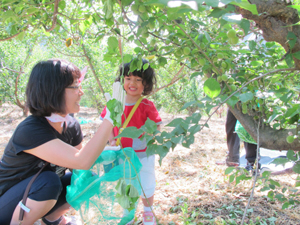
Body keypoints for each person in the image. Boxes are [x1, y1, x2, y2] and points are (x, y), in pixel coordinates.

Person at [0, 59, 117, 225]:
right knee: (49, 182)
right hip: (6, 201)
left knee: (86, 179)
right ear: (53, 90)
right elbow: (81, 160)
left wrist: (109, 159)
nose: (81, 92)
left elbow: (79, 167)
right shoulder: (31, 129)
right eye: (75, 86)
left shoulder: (71, 126)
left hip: (37, 192)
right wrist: (110, 120)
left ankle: (53, 219)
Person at [100, 59, 162, 225]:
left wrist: (149, 135)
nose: (132, 83)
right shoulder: (114, 103)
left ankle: (148, 213)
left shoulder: (147, 105)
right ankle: (128, 214)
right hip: (122, 154)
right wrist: (111, 141)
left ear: (146, 84)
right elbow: (106, 124)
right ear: (121, 81)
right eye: (128, 78)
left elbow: (156, 126)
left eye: (138, 80)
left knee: (146, 183)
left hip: (143, 154)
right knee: (126, 183)